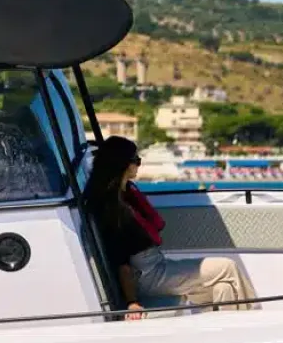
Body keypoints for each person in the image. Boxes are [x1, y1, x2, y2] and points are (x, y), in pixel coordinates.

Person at [85, 136, 255, 318]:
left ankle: (225, 330)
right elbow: (121, 263)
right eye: (136, 160)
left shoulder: (126, 195)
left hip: (156, 266)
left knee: (223, 287)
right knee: (227, 267)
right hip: (148, 277)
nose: (139, 165)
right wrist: (132, 302)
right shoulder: (113, 210)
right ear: (123, 165)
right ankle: (253, 321)